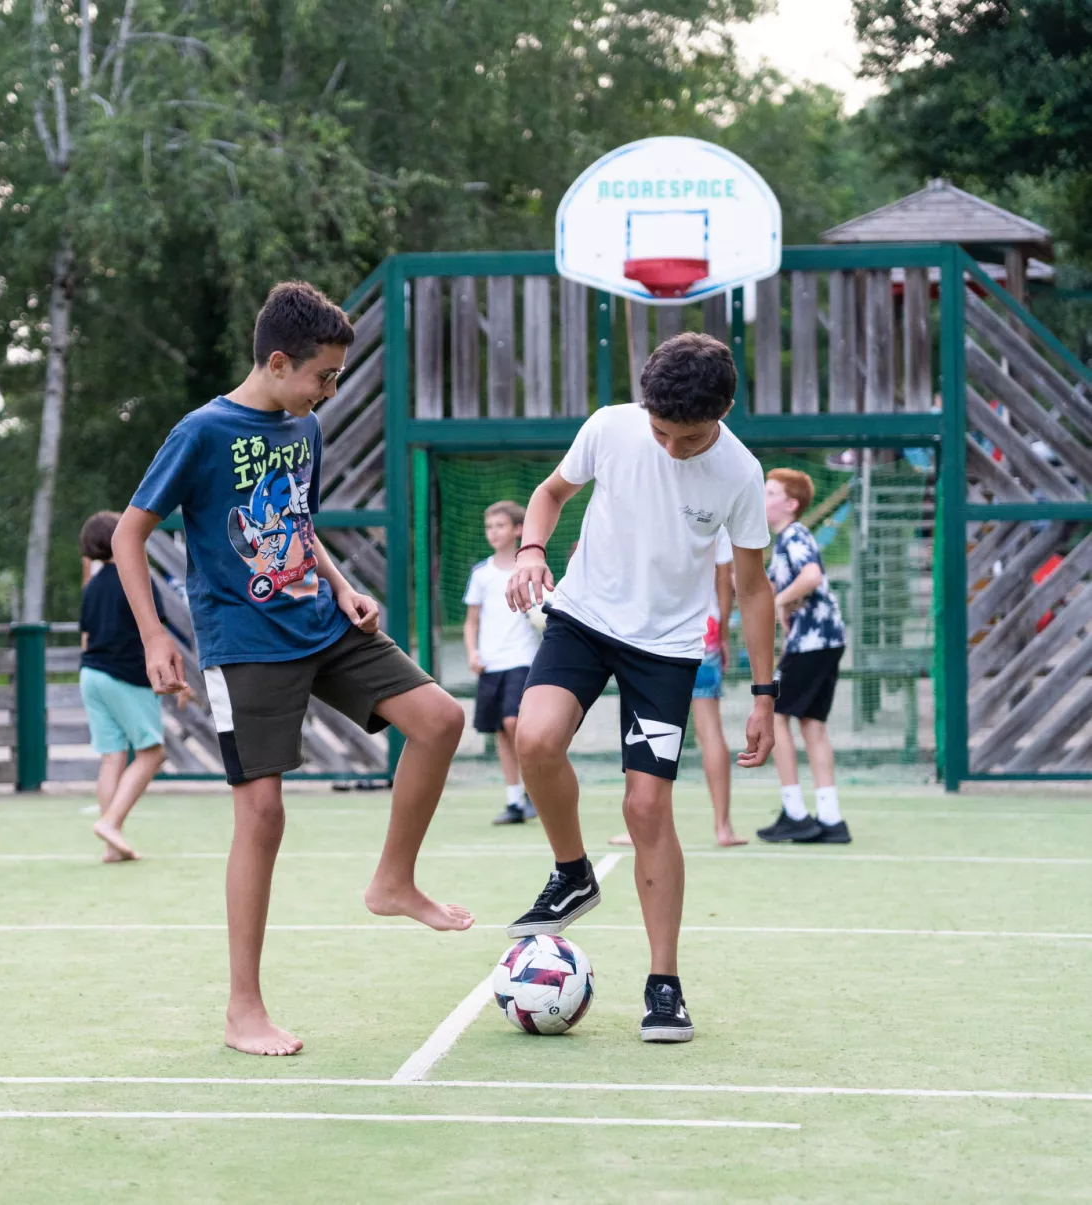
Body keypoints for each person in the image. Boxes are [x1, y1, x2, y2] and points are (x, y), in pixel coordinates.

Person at [113, 280, 472, 1057]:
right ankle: (244, 1008)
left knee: (441, 717)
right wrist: (153, 637)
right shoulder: (201, 432)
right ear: (278, 362)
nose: (330, 390)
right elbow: (127, 536)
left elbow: (300, 525)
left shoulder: (301, 426)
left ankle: (393, 881)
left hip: (320, 623)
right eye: (324, 375)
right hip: (244, 643)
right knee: (263, 813)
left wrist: (345, 589)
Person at [503, 332, 777, 1044]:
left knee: (647, 805)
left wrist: (766, 693)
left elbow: (752, 587)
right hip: (584, 618)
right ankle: (573, 871)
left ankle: (664, 984)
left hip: (667, 648)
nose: (670, 448)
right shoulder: (611, 425)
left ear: (722, 413)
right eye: (660, 431)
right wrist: (532, 548)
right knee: (533, 738)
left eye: (686, 439)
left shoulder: (741, 473)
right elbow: (550, 492)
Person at [610, 527, 747, 848]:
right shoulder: (716, 512)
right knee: (709, 728)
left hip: (653, 629)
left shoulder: (648, 504)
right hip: (703, 628)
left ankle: (639, 827)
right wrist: (723, 632)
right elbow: (724, 580)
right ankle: (723, 827)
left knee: (645, 725)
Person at [77, 509, 190, 863]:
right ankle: (111, 823)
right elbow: (158, 634)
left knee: (112, 756)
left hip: (91, 675)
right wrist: (179, 681)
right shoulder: (135, 578)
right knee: (152, 753)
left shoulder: (92, 586)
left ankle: (113, 846)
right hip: (125, 675)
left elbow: (85, 638)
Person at [756, 468, 851, 844]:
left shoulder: (794, 535)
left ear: (790, 504)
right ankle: (831, 819)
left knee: (775, 715)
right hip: (825, 639)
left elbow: (811, 575)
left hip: (815, 641)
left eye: (771, 493)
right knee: (812, 724)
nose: (764, 499)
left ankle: (795, 812)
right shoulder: (786, 541)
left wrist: (779, 600)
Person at [463, 501, 541, 825]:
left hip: (523, 660)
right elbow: (471, 621)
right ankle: (514, 801)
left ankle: (535, 792)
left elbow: (543, 616)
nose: (493, 532)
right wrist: (472, 653)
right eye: (489, 527)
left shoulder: (531, 571)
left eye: (500, 525)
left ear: (518, 530)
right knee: (500, 730)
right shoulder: (481, 574)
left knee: (514, 722)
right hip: (491, 663)